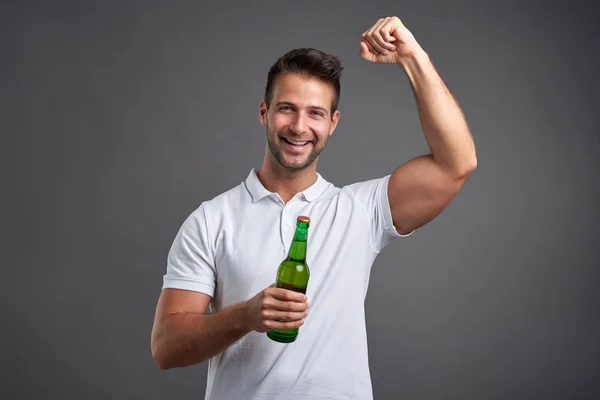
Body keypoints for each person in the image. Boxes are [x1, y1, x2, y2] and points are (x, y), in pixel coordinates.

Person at [151, 16, 477, 400]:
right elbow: (166, 347)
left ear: (333, 123)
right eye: (287, 108)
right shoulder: (211, 220)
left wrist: (412, 57)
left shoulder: (361, 211)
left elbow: (457, 163)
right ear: (264, 112)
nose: (299, 126)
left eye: (316, 113)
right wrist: (247, 315)